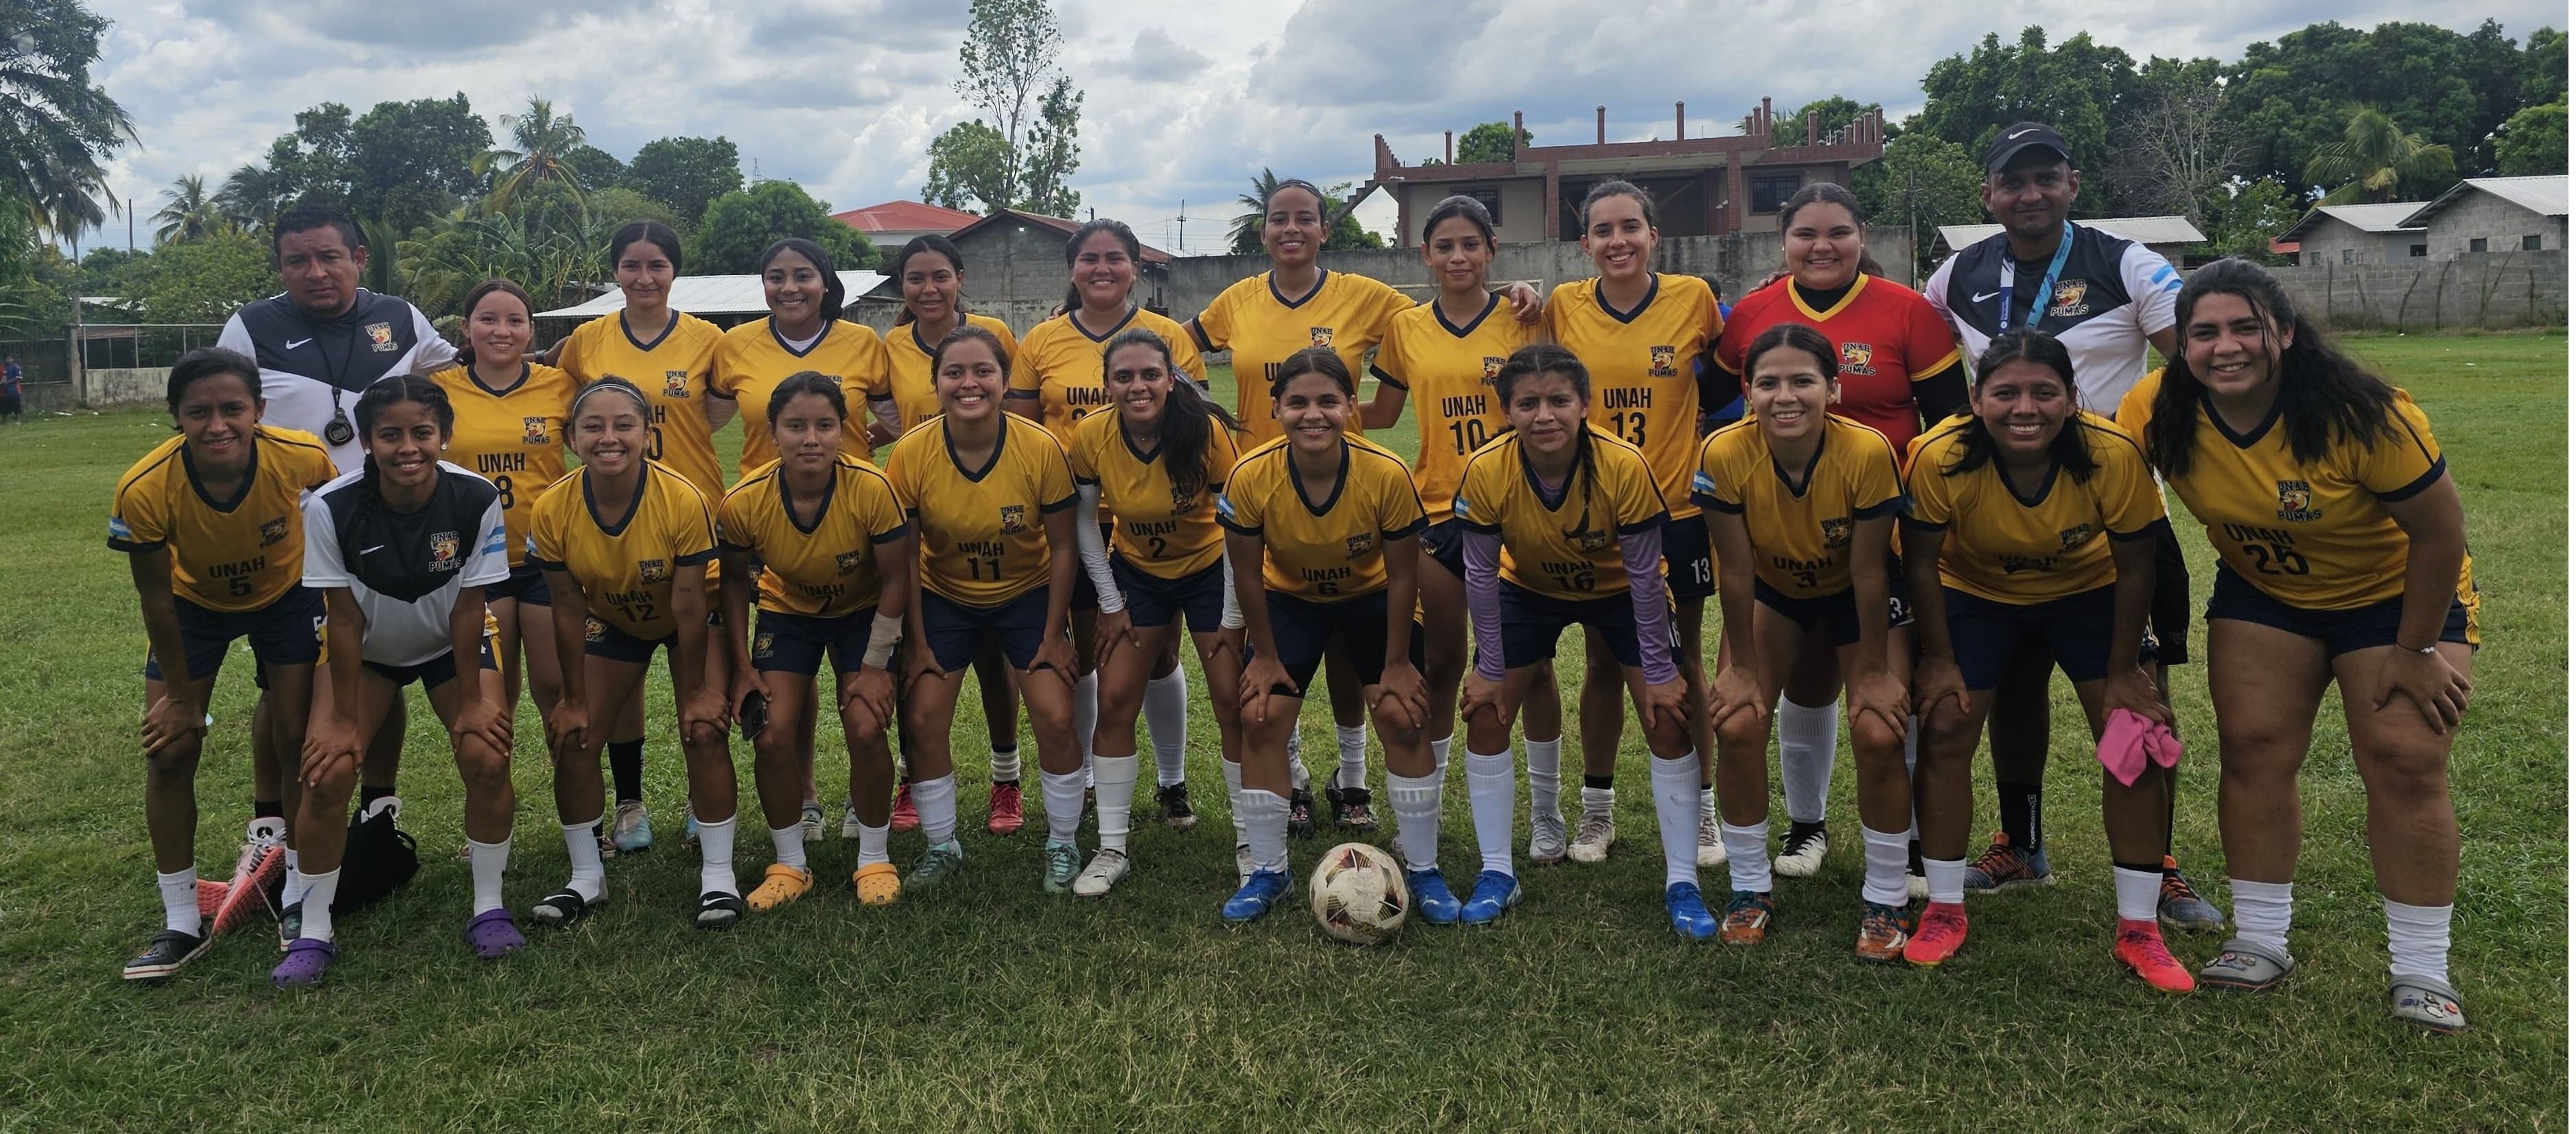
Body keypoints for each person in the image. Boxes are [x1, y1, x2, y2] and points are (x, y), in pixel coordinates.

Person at [2123, 259, 2479, 1032]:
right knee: (2253, 748)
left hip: (2393, 594)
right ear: (2178, 343)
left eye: (2244, 327)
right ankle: (2259, 938)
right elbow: (2109, 498)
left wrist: (2416, 649)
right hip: (2266, 591)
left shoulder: (2362, 411)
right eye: (2203, 332)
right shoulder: (2153, 406)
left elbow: (2439, 531)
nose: (2225, 347)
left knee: (2403, 758)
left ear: (2284, 331)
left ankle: (2422, 967)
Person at [1921, 123, 2220, 927]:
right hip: (1997, 520)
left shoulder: (2124, 263)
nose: (2029, 194)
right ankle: (2020, 845)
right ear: (1987, 194)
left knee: (2140, 694)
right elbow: (1906, 349)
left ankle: (2158, 866)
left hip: (2116, 520)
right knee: (2012, 686)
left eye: (2045, 178)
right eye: (2012, 182)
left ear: (2072, 184)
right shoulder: (1957, 274)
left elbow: (2198, 359)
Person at [1191, 179, 1541, 833]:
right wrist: (1191, 418)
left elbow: (1447, 303)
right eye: (1278, 219)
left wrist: (1517, 289)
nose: (1291, 229)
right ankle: (1293, 775)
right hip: (1261, 501)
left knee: (1356, 649)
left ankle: (1353, 778)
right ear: (1262, 232)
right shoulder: (1236, 299)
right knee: (1274, 649)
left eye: (1305, 218)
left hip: (1351, 490)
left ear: (1326, 230)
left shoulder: (1369, 298)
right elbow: (1177, 345)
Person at [1901, 331, 2193, 991]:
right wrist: (1939, 659)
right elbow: (1920, 562)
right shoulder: (1938, 454)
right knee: (1946, 723)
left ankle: (2139, 928)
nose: (2025, 408)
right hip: (1976, 591)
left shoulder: (2112, 452)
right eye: (2005, 392)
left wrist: (2124, 671)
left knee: (2134, 736)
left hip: (2088, 590)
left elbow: (2136, 566)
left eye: (2044, 392)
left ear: (2071, 397)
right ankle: (1944, 909)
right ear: (1977, 398)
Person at [1711, 182, 1965, 887]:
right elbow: (1705, 395)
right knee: (1806, 681)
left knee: (1887, 696)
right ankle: (1807, 825)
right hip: (1783, 531)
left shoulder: (1908, 311)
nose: (1821, 246)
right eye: (1806, 234)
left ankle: (1908, 843)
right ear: (1782, 241)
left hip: (1886, 533)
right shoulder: (1754, 311)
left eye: (1838, 232)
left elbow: (1952, 421)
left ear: (1863, 237)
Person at [216, 202, 452, 882]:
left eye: (329, 257)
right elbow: (221, 413)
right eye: (298, 260)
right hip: (293, 543)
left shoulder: (400, 318)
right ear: (280, 266)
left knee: (385, 666)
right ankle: (268, 824)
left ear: (358, 258)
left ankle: (381, 806)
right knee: (285, 684)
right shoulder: (251, 327)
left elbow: (458, 374)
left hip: (390, 531)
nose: (315, 272)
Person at [284, 377, 519, 985]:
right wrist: (341, 721)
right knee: (328, 773)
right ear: (367, 440)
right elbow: (342, 618)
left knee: (487, 756)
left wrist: (472, 702)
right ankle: (313, 929)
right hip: (366, 652)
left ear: (446, 435)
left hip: (449, 644)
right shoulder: (330, 506)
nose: (408, 447)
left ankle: (489, 906)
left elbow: (470, 607)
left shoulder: (474, 496)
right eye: (390, 435)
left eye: (422, 433)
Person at [1455, 344, 1698, 931]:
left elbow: (1645, 574)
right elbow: (1481, 574)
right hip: (1528, 589)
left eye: (1559, 400)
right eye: (1528, 403)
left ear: (1585, 404)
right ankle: (1497, 872)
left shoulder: (1623, 464)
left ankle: (1684, 881)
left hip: (1620, 591)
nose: (1544, 415)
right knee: (1486, 711)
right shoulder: (1486, 468)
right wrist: (1489, 667)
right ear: (1507, 411)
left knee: (1667, 716)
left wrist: (1660, 674)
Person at [114, 349, 335, 982]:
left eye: (232, 408)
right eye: (199, 412)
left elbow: (334, 524)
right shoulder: (143, 487)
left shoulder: (300, 455)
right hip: (193, 607)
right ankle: (181, 920)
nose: (217, 425)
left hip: (288, 597)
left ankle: (296, 893)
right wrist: (183, 698)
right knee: (171, 750)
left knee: (297, 740)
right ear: (175, 416)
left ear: (258, 409)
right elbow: (156, 597)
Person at [1362, 193, 1567, 862]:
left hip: (1516, 506)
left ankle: (1547, 813)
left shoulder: (1523, 317)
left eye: (1470, 244)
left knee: (1530, 666)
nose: (1457, 256)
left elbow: (1553, 403)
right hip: (1438, 510)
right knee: (1445, 661)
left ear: (1491, 251)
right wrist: (1302, 411)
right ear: (1424, 254)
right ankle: (1428, 804)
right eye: (1444, 246)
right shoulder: (1405, 327)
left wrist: (1530, 294)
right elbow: (1383, 412)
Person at [1698, 324, 1910, 955]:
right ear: (1748, 391)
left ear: (1833, 389)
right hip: (1775, 590)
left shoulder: (1867, 450)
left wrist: (1874, 671)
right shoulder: (1722, 451)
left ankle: (1886, 897)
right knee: (1737, 723)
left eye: (1802, 381)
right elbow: (1737, 571)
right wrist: (1739, 666)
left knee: (1879, 729)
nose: (1785, 396)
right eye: (1768, 382)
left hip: (1855, 591)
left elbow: (1869, 571)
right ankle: (1749, 887)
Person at [1215, 347, 1437, 923]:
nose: (1313, 414)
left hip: (1371, 595)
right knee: (1261, 713)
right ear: (1276, 408)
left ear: (1350, 406)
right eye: (1297, 402)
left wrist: (1396, 663)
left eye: (1328, 401)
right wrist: (1264, 655)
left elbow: (1404, 575)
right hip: (1290, 600)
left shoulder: (1385, 471)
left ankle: (1424, 868)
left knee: (1403, 714)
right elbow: (1247, 574)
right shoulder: (1250, 474)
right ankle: (1269, 871)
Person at [1544, 180, 1724, 869]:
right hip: (1595, 511)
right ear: (1584, 243)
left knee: (1682, 660)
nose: (1617, 241)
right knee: (1601, 661)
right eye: (1603, 230)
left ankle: (1703, 809)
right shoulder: (1563, 306)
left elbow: (1726, 381)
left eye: (1629, 227)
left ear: (1653, 235)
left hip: (1675, 511)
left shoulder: (1694, 299)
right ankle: (1597, 809)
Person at [523, 378, 742, 928]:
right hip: (615, 620)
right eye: (593, 426)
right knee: (574, 735)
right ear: (571, 437)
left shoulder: (682, 498)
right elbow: (567, 607)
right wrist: (574, 698)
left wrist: (698, 692)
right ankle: (586, 876)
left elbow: (689, 604)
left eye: (624, 425)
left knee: (705, 728)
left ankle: (719, 877)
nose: (609, 437)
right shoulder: (551, 507)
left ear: (647, 434)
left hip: (689, 618)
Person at [1010, 219, 1202, 838]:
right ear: (1072, 268)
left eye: (1115, 258)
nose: (1102, 268)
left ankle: (1172, 780)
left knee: (1158, 652)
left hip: (1155, 522)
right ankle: (1091, 775)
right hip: (1074, 522)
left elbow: (1193, 423)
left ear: (1135, 268)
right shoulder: (1042, 339)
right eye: (1089, 258)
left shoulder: (1168, 336)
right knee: (1088, 651)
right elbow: (1022, 433)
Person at [886, 326, 1086, 892]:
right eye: (954, 372)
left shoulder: (1039, 447)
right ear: (936, 383)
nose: (969, 383)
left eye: (983, 371)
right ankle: (941, 845)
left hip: (1026, 593)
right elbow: (906, 556)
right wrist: (916, 642)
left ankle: (1063, 842)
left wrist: (1054, 634)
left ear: (1004, 379)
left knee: (1055, 714)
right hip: (946, 596)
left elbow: (1064, 547)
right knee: (923, 717)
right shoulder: (911, 453)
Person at [554, 220, 729, 855]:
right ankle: (630, 803)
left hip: (690, 520)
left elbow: (723, 410)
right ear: (616, 271)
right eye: (631, 265)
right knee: (621, 674)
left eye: (657, 265)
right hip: (614, 528)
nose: (644, 277)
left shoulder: (709, 339)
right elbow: (563, 404)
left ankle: (701, 800)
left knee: (695, 668)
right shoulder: (586, 340)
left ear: (675, 271)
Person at [714, 237, 893, 841]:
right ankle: (805, 796)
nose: (789, 287)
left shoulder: (863, 342)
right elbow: (696, 417)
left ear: (826, 282)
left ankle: (866, 806)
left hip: (852, 515)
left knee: (858, 688)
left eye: (803, 275)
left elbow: (897, 416)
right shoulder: (734, 344)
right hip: (770, 519)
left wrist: (860, 446)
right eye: (776, 276)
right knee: (788, 685)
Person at [716, 373, 913, 909]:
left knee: (867, 725)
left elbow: (897, 578)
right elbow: (732, 583)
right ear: (772, 432)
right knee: (771, 734)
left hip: (862, 614)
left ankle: (873, 857)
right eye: (795, 426)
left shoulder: (871, 488)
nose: (811, 439)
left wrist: (874, 665)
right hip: (789, 613)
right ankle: (790, 863)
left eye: (825, 425)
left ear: (843, 430)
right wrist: (742, 666)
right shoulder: (744, 500)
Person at [1067, 329, 1245, 895]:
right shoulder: (1091, 435)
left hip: (1208, 569)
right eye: (1124, 376)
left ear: (1171, 379)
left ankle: (1251, 844)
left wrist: (1232, 615)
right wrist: (1110, 602)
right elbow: (1085, 524)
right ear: (1107, 385)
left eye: (1150, 374)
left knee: (1232, 700)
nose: (1137, 386)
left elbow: (1237, 527)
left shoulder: (1205, 431)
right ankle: (1112, 847)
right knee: (1117, 698)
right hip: (1138, 571)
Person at [873, 234, 1024, 836]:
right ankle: (912, 775)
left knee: (995, 659)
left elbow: (1015, 412)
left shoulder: (994, 332)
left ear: (960, 278)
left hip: (992, 507)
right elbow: (887, 417)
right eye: (915, 278)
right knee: (916, 656)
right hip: (924, 509)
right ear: (902, 285)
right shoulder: (890, 345)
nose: (929, 288)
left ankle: (1006, 777)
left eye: (940, 275)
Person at [429, 281, 575, 777]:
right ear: (465, 327)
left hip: (545, 560)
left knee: (557, 688)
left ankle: (576, 801)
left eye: (515, 321)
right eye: (488, 319)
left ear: (531, 331)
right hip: (474, 564)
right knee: (493, 696)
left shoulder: (558, 385)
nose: (502, 330)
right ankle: (493, 799)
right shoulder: (439, 388)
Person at [1, 353, 23, 423]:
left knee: (16, 406)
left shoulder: (16, 367)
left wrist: (8, 382)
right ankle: (5, 422)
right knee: (4, 407)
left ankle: (18, 420)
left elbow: (18, 378)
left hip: (14, 390)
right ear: (4, 360)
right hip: (4, 391)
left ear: (13, 359)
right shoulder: (2, 368)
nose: (9, 360)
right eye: (7, 359)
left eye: (10, 359)